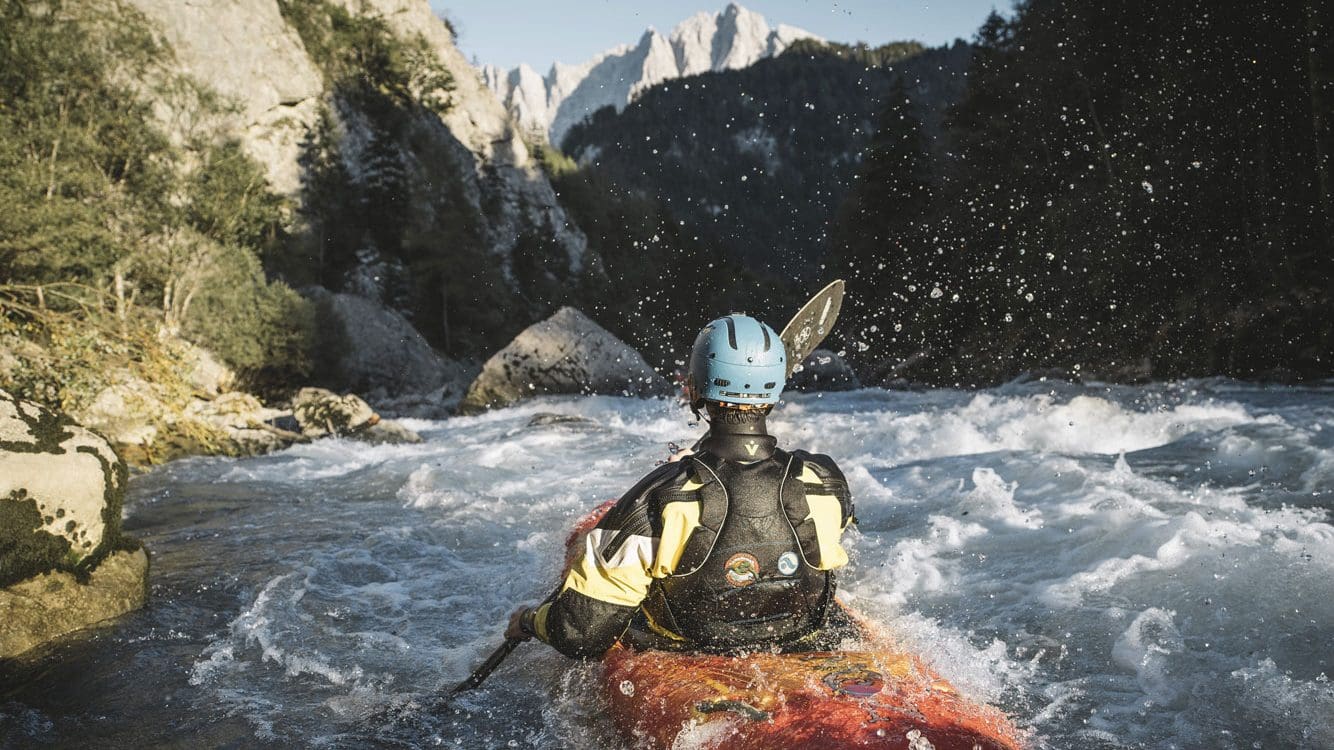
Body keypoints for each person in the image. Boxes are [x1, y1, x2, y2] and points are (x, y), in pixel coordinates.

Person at [506, 314, 857, 657]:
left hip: (689, 643)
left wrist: (530, 621)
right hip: (799, 630)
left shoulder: (658, 497)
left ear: (695, 387)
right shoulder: (826, 479)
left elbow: (582, 635)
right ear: (774, 392)